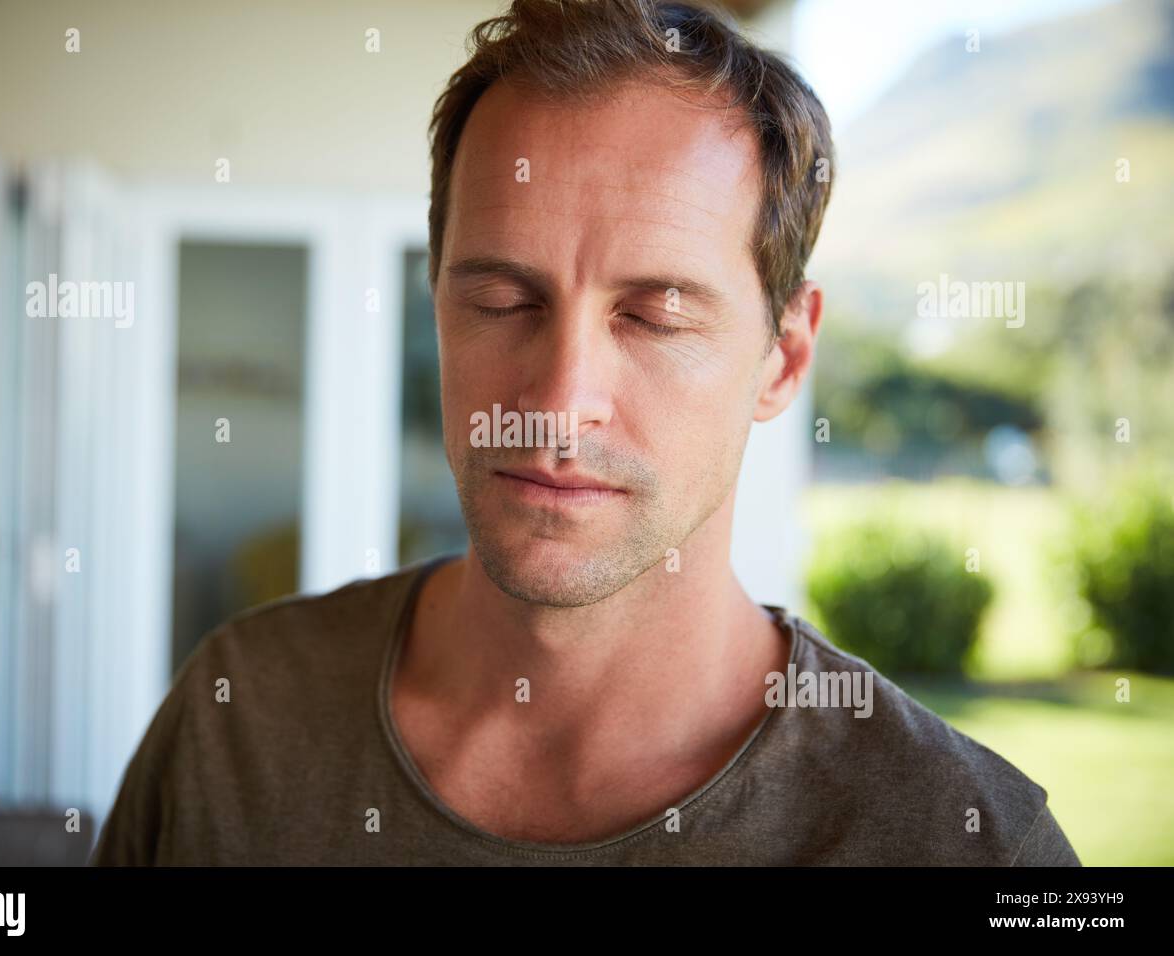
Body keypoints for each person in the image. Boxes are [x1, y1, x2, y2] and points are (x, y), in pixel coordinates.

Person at [91, 0, 1080, 866]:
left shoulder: (962, 840)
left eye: (653, 314)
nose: (560, 403)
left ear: (781, 356)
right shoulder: (238, 718)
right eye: (503, 298)